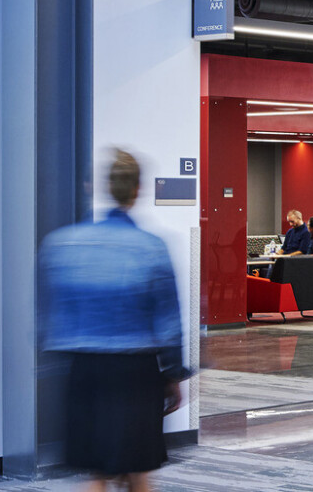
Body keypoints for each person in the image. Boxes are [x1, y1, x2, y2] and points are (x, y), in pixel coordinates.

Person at [40, 149, 189, 491]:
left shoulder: (63, 245)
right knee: (137, 470)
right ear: (138, 190)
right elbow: (168, 319)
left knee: (95, 471)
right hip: (134, 374)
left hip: (84, 371)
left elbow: (49, 315)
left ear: (99, 187)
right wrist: (173, 375)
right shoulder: (151, 247)